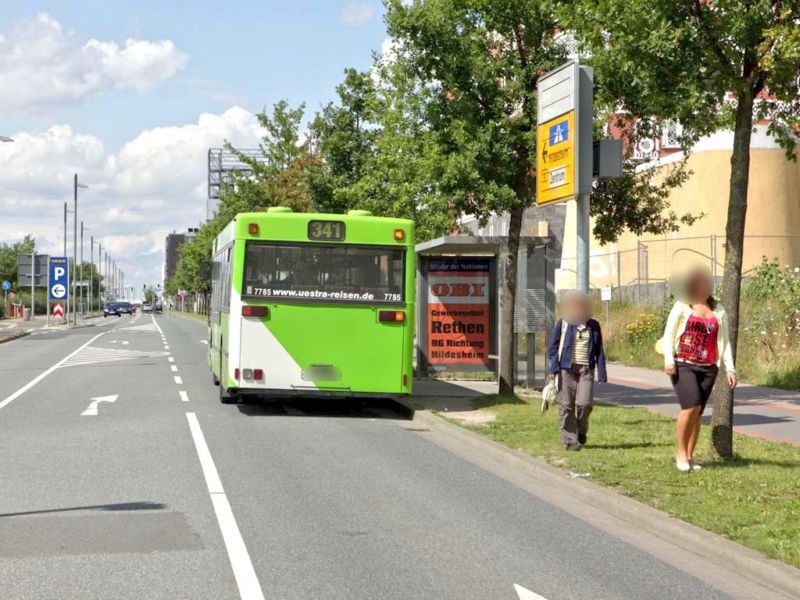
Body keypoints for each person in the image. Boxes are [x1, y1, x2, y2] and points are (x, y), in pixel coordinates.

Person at [662, 265, 736, 472]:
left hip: (708, 367)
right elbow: (669, 334)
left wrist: (730, 368)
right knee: (691, 406)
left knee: (697, 413)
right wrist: (669, 359)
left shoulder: (718, 309)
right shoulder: (683, 305)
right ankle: (680, 453)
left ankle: (690, 456)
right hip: (683, 364)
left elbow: (725, 341)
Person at [548, 291, 608, 451]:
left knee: (585, 404)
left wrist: (602, 372)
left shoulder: (593, 325)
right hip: (566, 369)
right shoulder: (563, 323)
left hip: (586, 370)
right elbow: (553, 348)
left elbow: (599, 349)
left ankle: (581, 430)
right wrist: (553, 369)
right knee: (566, 405)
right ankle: (570, 440)